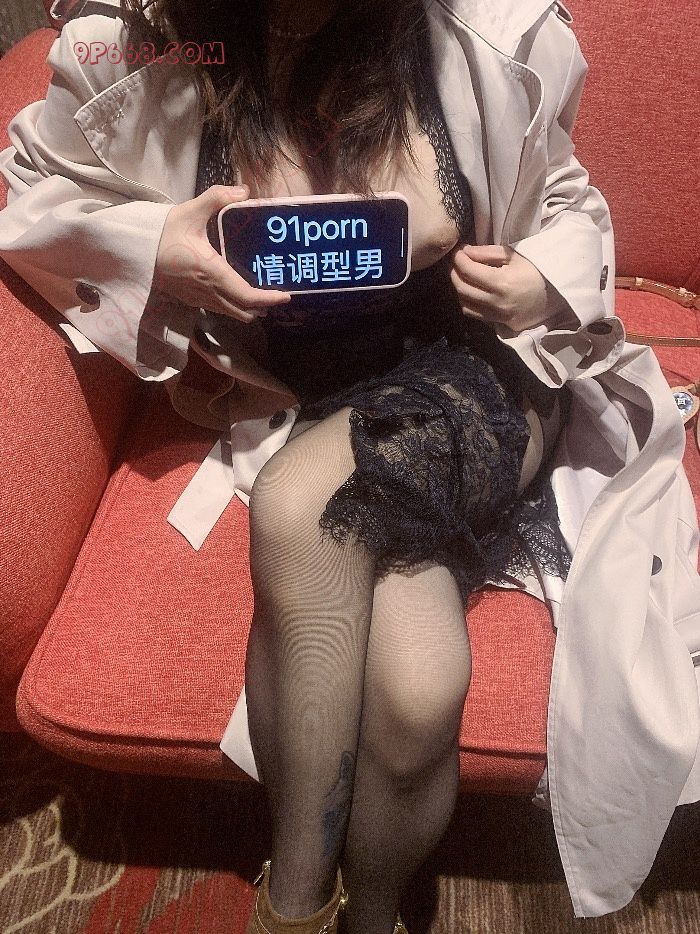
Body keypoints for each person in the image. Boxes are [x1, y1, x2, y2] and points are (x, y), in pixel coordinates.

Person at [1, 0, 699, 930]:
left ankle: (291, 907)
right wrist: (154, 248)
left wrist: (541, 279)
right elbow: (32, 191)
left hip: (472, 370)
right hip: (305, 390)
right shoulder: (141, 40)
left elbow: (568, 200)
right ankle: (367, 915)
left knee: (297, 503)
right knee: (418, 691)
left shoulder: (487, 32)